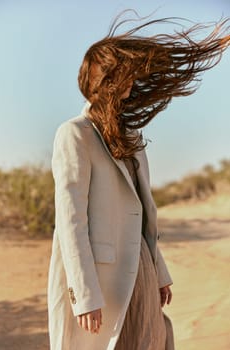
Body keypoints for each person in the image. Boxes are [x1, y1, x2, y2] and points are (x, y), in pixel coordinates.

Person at [47, 11, 230, 350]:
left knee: (150, 342)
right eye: (123, 77)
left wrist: (159, 272)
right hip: (102, 277)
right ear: (103, 81)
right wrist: (83, 294)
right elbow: (70, 220)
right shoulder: (74, 134)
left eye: (132, 77)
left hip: (140, 269)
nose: (130, 85)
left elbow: (145, 213)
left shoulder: (131, 135)